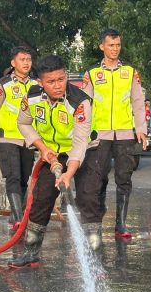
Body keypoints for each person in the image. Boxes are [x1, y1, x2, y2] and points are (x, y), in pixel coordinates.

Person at [9, 55, 102, 268]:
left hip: (87, 150)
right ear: (40, 83)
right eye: (51, 82)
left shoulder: (79, 102)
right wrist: (43, 149)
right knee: (41, 198)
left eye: (61, 79)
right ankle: (31, 252)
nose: (58, 85)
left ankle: (95, 257)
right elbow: (23, 123)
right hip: (52, 153)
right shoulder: (31, 97)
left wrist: (69, 173)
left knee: (89, 199)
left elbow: (80, 142)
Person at [82, 29, 147, 241]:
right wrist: (83, 133)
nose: (115, 49)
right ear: (102, 46)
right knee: (98, 179)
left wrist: (141, 129)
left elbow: (138, 102)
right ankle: (97, 222)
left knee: (124, 178)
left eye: (118, 45)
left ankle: (120, 224)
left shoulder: (130, 72)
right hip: (100, 135)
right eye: (111, 45)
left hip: (126, 134)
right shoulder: (91, 74)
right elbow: (85, 105)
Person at [0, 46, 36, 231]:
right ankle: (19, 220)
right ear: (13, 63)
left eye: (28, 59)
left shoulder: (36, 85)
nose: (26, 62)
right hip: (8, 138)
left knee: (24, 179)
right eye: (22, 59)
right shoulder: (3, 85)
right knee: (13, 177)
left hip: (29, 139)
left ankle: (15, 214)